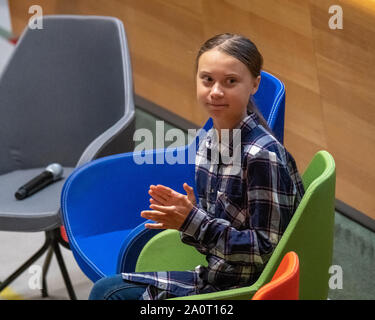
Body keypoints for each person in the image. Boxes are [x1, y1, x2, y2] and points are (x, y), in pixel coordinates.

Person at [89, 33, 305, 300]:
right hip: (213, 277)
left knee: (109, 295)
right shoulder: (210, 142)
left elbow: (266, 251)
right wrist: (190, 217)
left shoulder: (261, 155)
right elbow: (216, 236)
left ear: (254, 85)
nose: (215, 91)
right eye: (207, 80)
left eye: (231, 81)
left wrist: (194, 221)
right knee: (108, 291)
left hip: (238, 292)